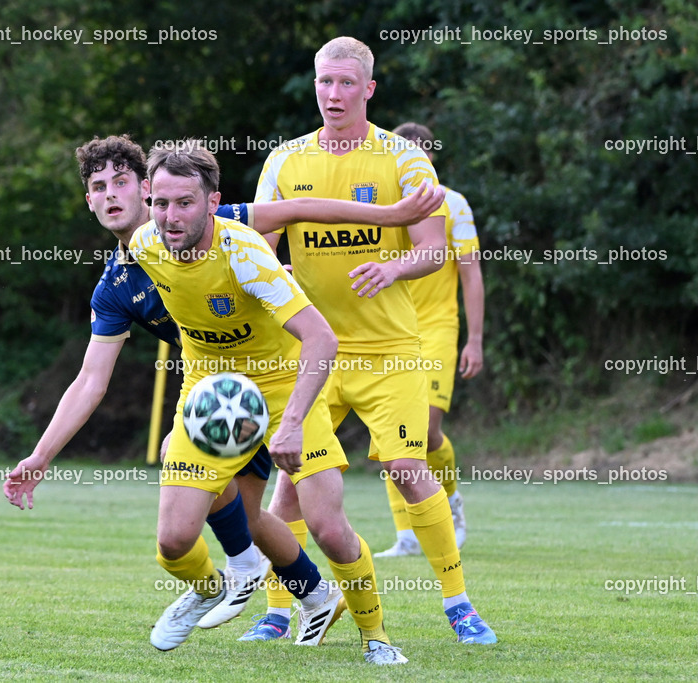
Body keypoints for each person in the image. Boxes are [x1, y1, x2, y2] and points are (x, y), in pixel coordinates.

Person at [4, 134, 443, 643]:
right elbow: (89, 380)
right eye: (98, 187)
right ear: (90, 200)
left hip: (277, 381)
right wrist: (39, 456)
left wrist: (392, 216)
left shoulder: (218, 225)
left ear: (146, 189)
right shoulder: (120, 279)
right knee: (231, 514)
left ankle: (329, 611)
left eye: (121, 182)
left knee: (298, 517)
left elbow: (297, 207)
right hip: (217, 393)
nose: (111, 196)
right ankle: (295, 590)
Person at [119, 140, 407, 663]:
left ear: (213, 202)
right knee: (174, 543)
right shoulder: (143, 246)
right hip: (211, 399)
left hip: (282, 389)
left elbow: (322, 339)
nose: (170, 215)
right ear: (147, 199)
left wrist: (292, 422)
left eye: (184, 202)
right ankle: (214, 588)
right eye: (160, 203)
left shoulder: (245, 254)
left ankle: (377, 637)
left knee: (326, 526)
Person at [250, 37, 496, 645]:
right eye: (323, 83)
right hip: (313, 355)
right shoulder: (284, 161)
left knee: (412, 469)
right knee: (290, 485)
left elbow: (434, 248)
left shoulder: (405, 159)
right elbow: (261, 247)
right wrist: (277, 281)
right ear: (314, 86)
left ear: (368, 89)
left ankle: (458, 603)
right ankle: (281, 611)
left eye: (344, 84)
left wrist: (394, 268)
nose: (332, 95)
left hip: (391, 353)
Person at [375, 122, 484, 557]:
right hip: (389, 327)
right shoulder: (378, 199)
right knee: (391, 435)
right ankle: (405, 534)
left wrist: (474, 339)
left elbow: (471, 273)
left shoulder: (452, 204)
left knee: (427, 427)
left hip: (437, 328)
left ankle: (451, 501)